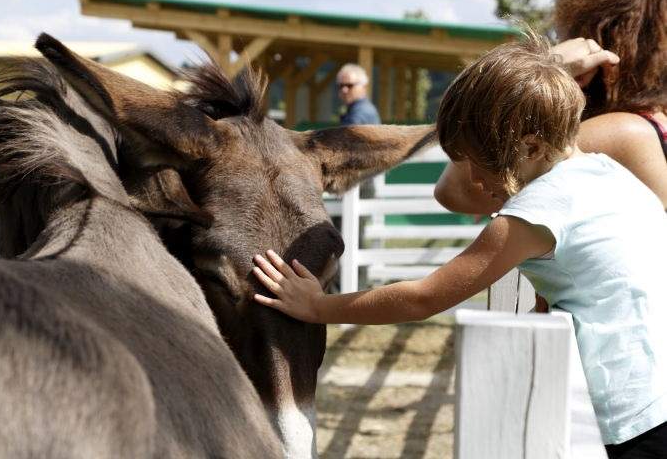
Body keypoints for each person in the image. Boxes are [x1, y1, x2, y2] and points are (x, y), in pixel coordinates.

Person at [251, 34, 667, 457]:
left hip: (635, 415)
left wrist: (317, 307)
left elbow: (423, 298)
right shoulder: (606, 175)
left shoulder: (539, 208)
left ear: (530, 146)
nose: (474, 181)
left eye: (478, 162)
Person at [434, 0, 667, 214]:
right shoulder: (653, 121)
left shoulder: (622, 134)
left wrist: (545, 69)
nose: (559, 38)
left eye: (560, 32)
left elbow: (456, 191)